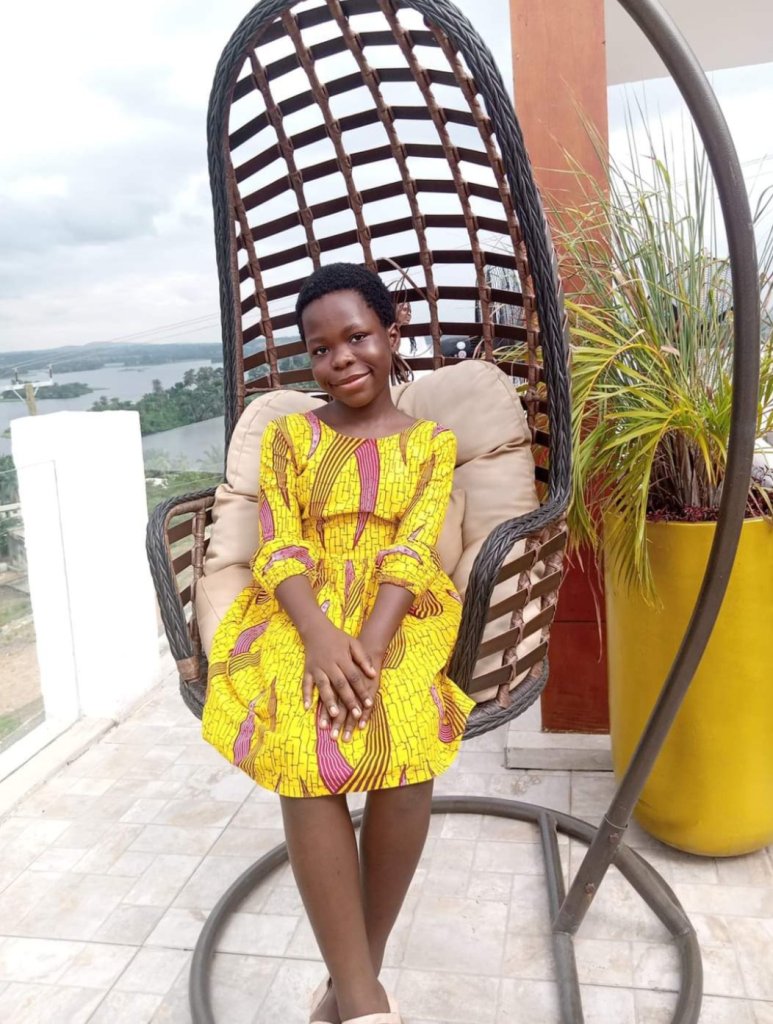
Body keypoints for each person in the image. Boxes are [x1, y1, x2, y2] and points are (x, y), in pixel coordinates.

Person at [202, 263, 475, 1024]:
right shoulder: (290, 436)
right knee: (302, 730)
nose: (341, 359)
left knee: (404, 730)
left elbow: (414, 549)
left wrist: (373, 645)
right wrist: (320, 637)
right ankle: (362, 1000)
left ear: (392, 335)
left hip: (400, 606)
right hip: (300, 604)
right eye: (320, 350)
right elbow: (277, 541)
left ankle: (352, 986)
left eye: (357, 337)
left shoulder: (431, 443)